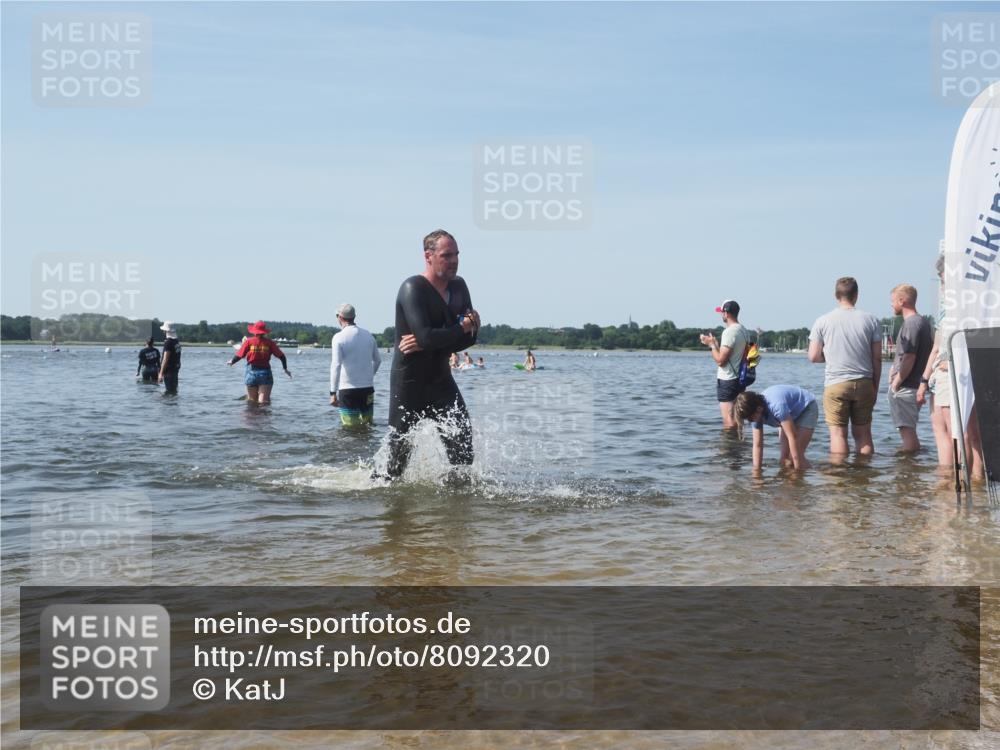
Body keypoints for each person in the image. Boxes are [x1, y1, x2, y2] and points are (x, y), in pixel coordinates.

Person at [384, 229, 480, 480]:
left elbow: (469, 340)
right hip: (410, 384)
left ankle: (454, 505)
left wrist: (436, 339)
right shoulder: (412, 288)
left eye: (456, 254)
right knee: (395, 464)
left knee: (463, 451)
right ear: (429, 256)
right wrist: (459, 328)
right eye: (447, 255)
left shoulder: (459, 287)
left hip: (441, 381)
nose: (454, 260)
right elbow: (433, 336)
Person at [916, 255, 985, 473]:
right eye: (943, 281)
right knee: (964, 432)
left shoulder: (972, 307)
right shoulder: (946, 311)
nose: (944, 286)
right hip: (943, 375)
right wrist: (924, 379)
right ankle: (971, 484)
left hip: (960, 375)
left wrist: (952, 362)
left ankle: (965, 481)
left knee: (965, 432)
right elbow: (936, 347)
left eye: (946, 281)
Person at [808, 277, 881, 457]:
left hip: (836, 383)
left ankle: (840, 480)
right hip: (864, 382)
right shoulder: (871, 320)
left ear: (836, 295)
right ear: (856, 295)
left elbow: (814, 356)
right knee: (864, 435)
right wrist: (875, 387)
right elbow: (877, 358)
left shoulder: (823, 321)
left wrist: (831, 355)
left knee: (838, 435)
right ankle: (864, 476)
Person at [887, 284, 933, 453]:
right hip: (913, 385)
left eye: (893, 301)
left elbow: (909, 357)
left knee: (907, 433)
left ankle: (907, 474)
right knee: (909, 431)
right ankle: (913, 468)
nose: (891, 304)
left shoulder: (912, 324)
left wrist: (896, 383)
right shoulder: (922, 322)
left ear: (902, 300)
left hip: (906, 386)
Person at [735, 386, 818, 471]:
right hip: (788, 413)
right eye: (748, 419)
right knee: (784, 461)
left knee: (793, 459)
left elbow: (792, 437)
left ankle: (817, 473)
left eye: (751, 418)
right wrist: (756, 473)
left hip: (806, 408)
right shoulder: (754, 414)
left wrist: (797, 470)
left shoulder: (776, 407)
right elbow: (758, 445)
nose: (751, 421)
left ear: (759, 409)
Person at [329, 303, 381, 426]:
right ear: (354, 317)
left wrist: (332, 393)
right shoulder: (368, 335)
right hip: (367, 389)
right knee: (368, 425)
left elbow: (336, 365)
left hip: (348, 390)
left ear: (340, 317)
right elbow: (378, 360)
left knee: (350, 428)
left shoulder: (339, 337)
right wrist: (369, 376)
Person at [699, 300, 748, 429]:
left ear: (726, 313)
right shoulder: (744, 330)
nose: (721, 315)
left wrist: (711, 346)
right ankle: (739, 446)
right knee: (738, 417)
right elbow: (732, 356)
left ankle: (730, 448)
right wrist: (715, 344)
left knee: (729, 420)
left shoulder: (729, 332)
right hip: (740, 379)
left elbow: (721, 361)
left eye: (721, 312)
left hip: (728, 380)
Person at [227, 320, 291, 404]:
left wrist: (232, 361)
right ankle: (264, 416)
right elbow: (282, 356)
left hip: (251, 374)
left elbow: (239, 355)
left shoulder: (248, 342)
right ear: (264, 332)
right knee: (263, 403)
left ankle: (251, 416)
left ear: (254, 331)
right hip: (265, 373)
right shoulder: (270, 343)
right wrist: (285, 369)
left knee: (252, 402)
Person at [157, 321, 181, 394]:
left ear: (166, 331)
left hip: (169, 371)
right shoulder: (176, 341)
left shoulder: (168, 342)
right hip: (175, 370)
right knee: (174, 391)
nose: (163, 331)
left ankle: (168, 404)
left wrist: (161, 373)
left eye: (164, 330)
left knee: (169, 392)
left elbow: (165, 359)